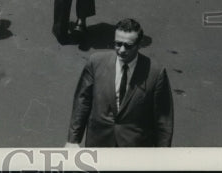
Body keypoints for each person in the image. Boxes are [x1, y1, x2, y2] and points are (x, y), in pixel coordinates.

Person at [66, 17, 174, 147]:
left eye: (128, 46)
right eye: (118, 44)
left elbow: (163, 119)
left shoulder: (155, 73)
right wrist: (73, 140)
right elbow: (82, 102)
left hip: (135, 149)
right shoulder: (96, 63)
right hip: (99, 143)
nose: (122, 50)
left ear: (139, 45)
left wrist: (163, 154)